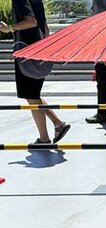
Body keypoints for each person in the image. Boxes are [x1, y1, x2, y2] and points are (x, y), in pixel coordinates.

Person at [0, 0, 70, 144]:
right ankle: (58, 125)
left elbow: (31, 22)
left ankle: (45, 137)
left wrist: (9, 28)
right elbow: (45, 27)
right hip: (35, 53)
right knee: (33, 96)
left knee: (31, 96)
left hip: (28, 57)